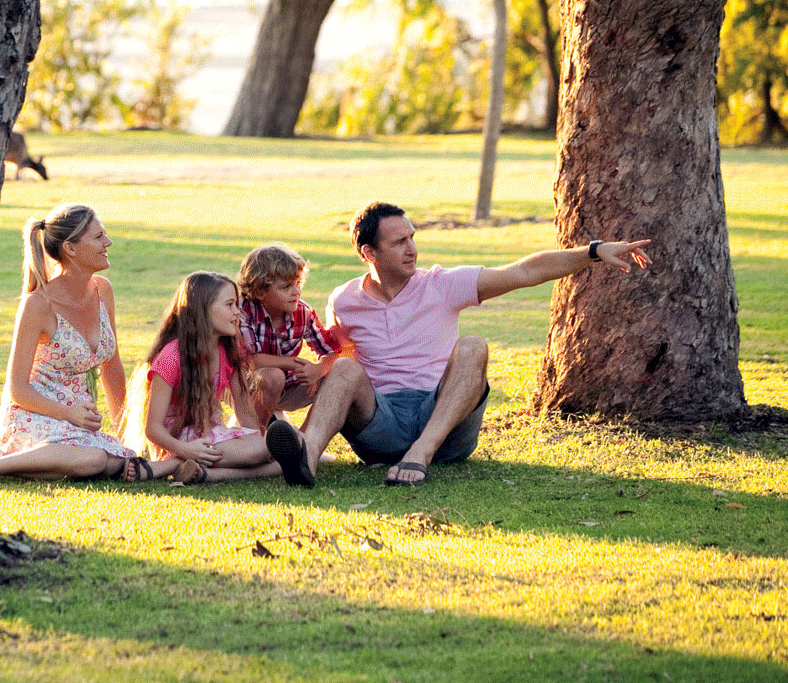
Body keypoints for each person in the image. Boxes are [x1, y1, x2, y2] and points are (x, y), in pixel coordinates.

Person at [263, 201, 652, 488]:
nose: (412, 249)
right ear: (369, 253)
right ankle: (305, 460)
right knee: (347, 370)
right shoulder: (344, 300)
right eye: (399, 242)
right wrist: (311, 371)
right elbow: (340, 355)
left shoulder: (442, 284)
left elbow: (524, 271)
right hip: (380, 424)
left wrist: (593, 251)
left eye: (412, 238)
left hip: (443, 421)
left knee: (472, 346)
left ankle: (421, 454)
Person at [0, 203, 174, 483]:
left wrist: (127, 439)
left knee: (113, 461)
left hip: (78, 424)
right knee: (94, 459)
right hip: (35, 417)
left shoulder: (103, 290)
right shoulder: (38, 304)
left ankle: (24, 464)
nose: (108, 242)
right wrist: (69, 413)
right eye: (99, 237)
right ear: (71, 248)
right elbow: (17, 389)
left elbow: (111, 369)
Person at [120, 271, 289, 485]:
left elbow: (246, 416)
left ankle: (195, 471)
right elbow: (153, 428)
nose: (237, 313)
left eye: (236, 305)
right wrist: (185, 449)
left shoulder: (228, 350)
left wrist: (255, 441)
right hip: (179, 442)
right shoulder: (172, 357)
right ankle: (173, 462)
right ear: (202, 310)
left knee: (284, 449)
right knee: (270, 450)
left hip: (211, 436)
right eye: (229, 305)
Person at [236, 242, 344, 432]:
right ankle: (255, 439)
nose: (296, 291)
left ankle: (304, 441)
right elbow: (250, 361)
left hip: (286, 385)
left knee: (339, 374)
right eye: (286, 287)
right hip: (243, 384)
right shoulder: (243, 312)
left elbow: (333, 351)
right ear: (260, 292)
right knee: (272, 376)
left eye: (298, 283)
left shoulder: (303, 312)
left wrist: (319, 369)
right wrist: (294, 364)